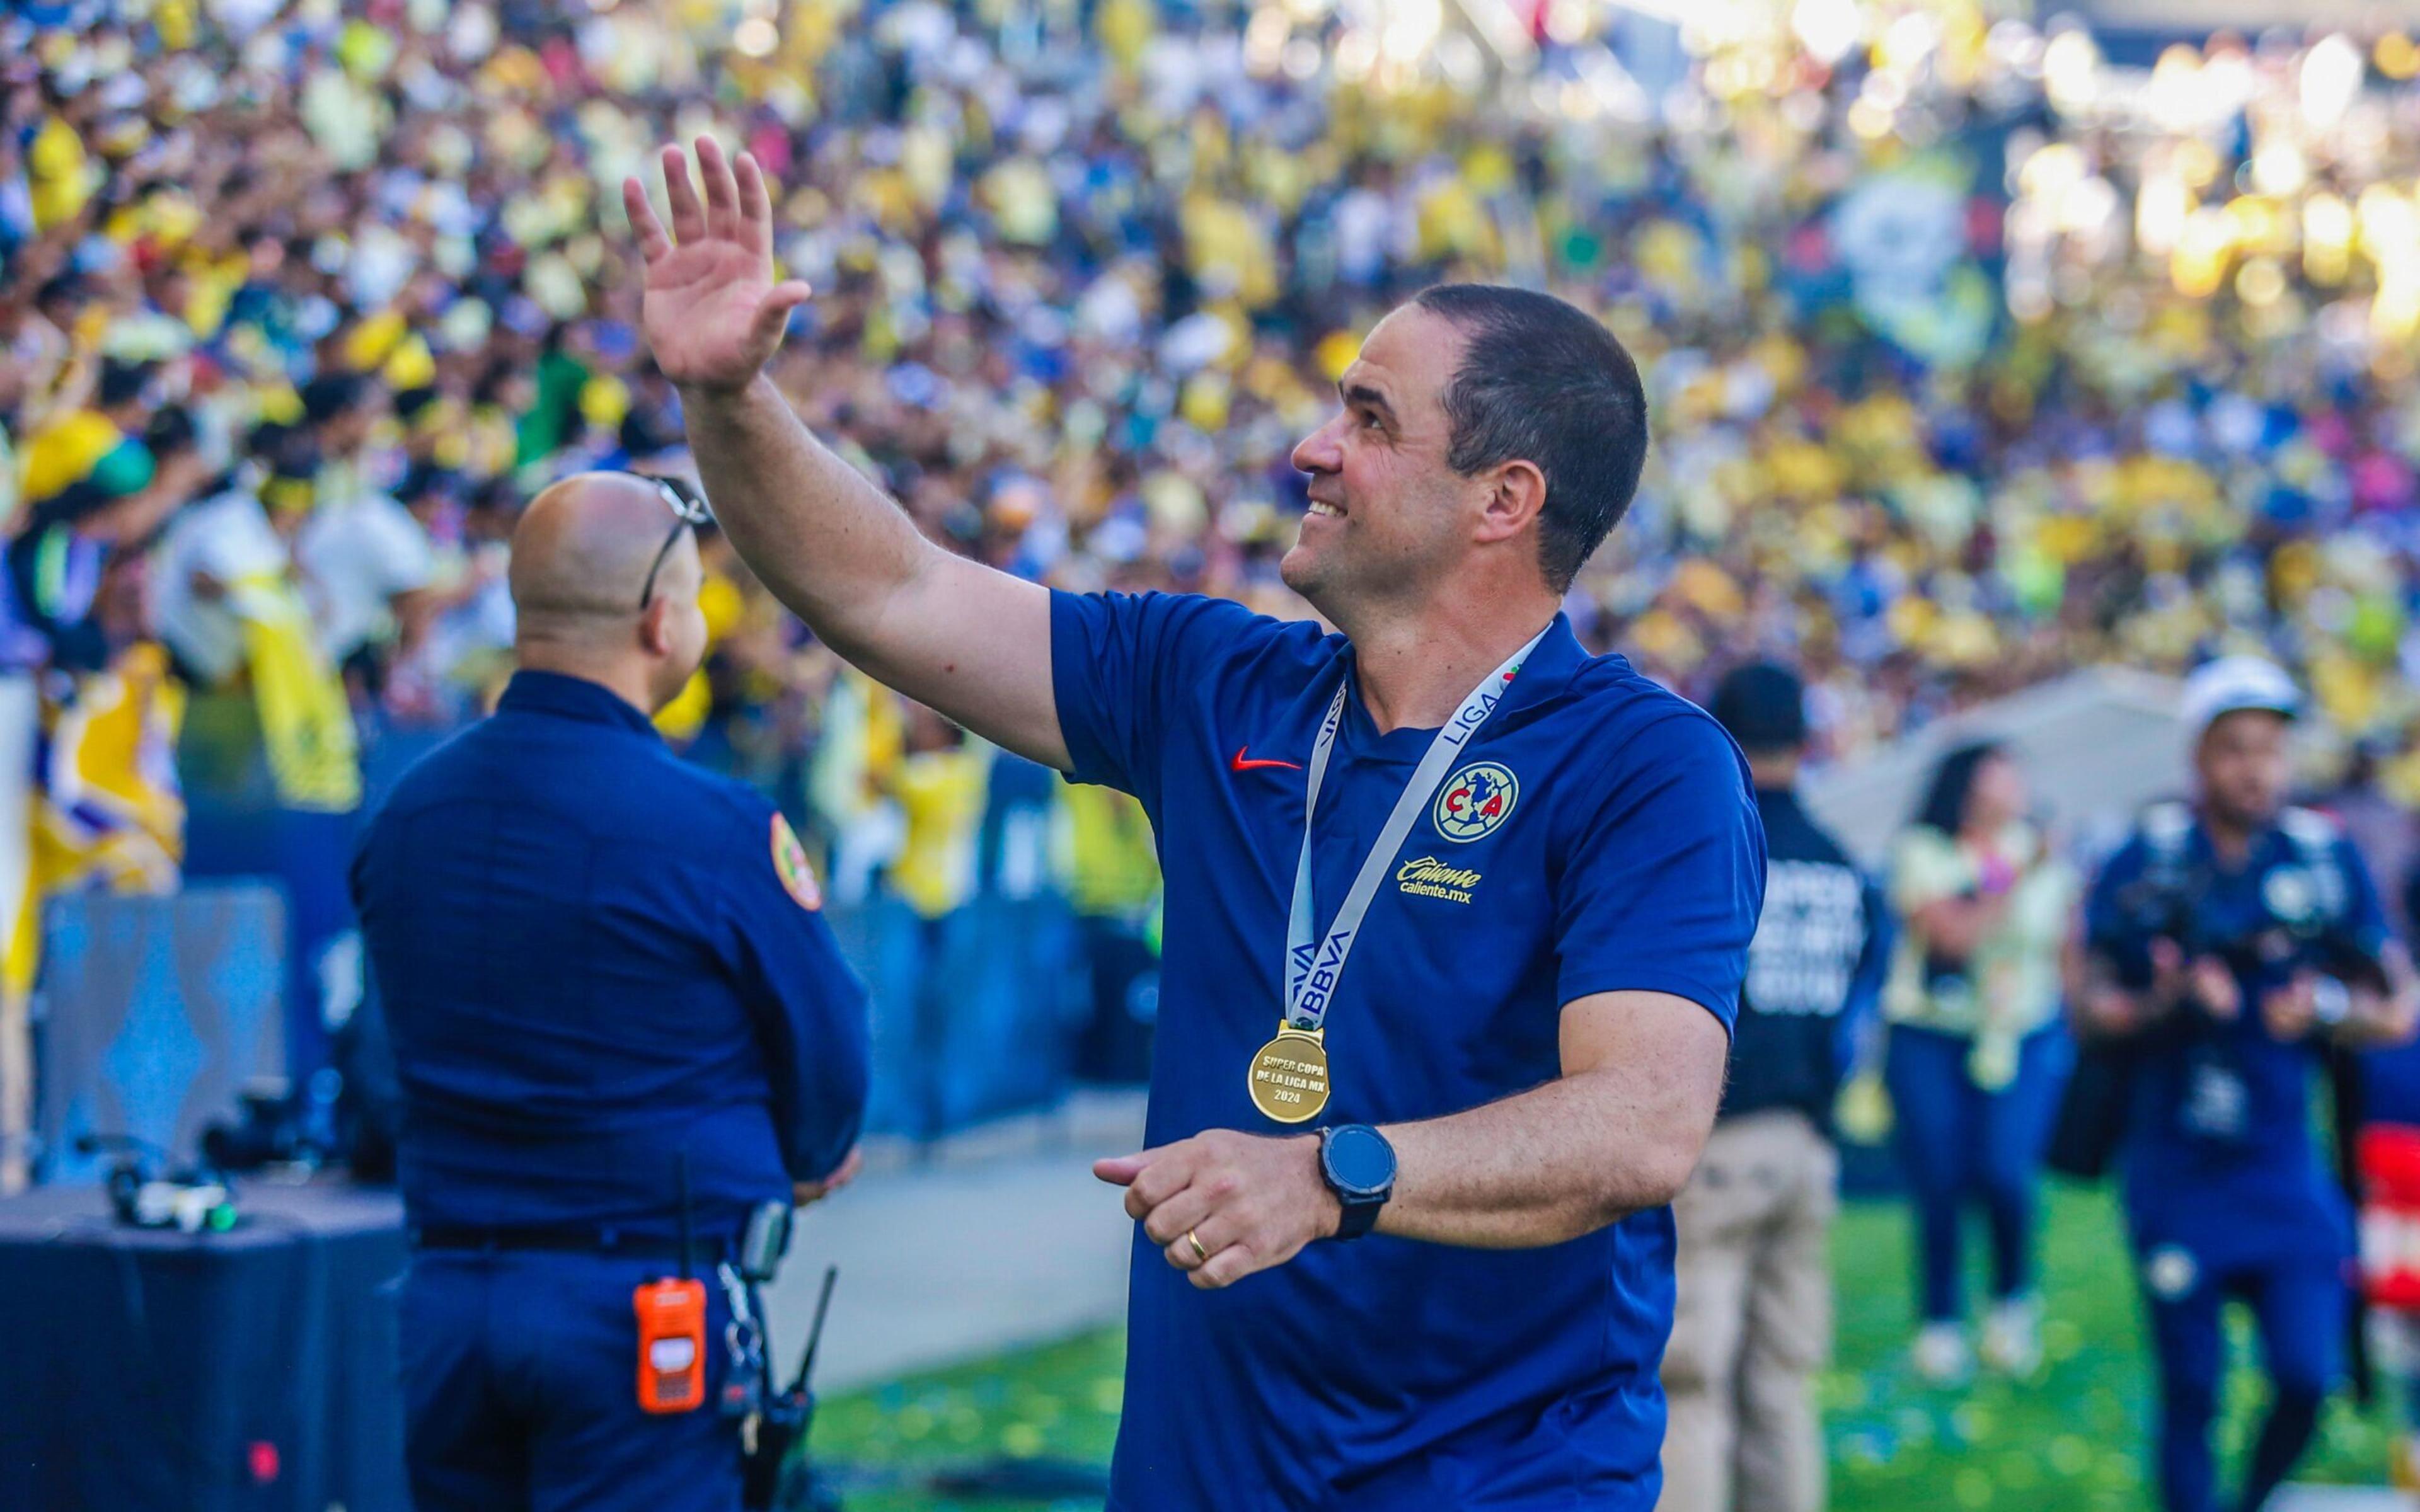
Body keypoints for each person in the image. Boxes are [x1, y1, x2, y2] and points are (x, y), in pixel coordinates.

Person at [623, 139, 1763, 1509]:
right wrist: (730, 399)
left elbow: (1641, 1125)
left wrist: (1332, 1177)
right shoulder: (1215, 680)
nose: (1313, 448)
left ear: (1503, 501)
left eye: (1369, 419)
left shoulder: (1644, 765)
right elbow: (896, 596)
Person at [354, 471, 871, 1512]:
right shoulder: (716, 828)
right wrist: (796, 1158)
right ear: (660, 621)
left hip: (449, 1298)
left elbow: (375, 1061)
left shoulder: (410, 814)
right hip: (641, 1311)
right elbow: (831, 1077)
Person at [2077, 655, 2418, 1512]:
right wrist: (2168, 997)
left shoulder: (2322, 856)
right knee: (2191, 1390)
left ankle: (2251, 1500)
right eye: (2234, 748)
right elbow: (2088, 1006)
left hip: (2282, 1169)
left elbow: (2396, 1003)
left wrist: (2324, 1005)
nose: (2254, 767)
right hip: (2176, 1168)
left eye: (2270, 747)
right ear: (2198, 756)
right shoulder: (2144, 856)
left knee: (2310, 1374)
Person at [1659, 662, 1884, 1512]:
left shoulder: (1720, 847)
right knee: (1782, 1386)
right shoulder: (1839, 862)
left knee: (1690, 1383)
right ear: (1808, 739)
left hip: (1718, 1144)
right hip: (1809, 1147)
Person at [1881, 740, 2077, 1384]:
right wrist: (2017, 878)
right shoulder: (1925, 850)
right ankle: (1938, 1323)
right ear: (1968, 784)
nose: (2015, 785)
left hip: (2021, 1033)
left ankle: (2011, 1307)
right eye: (2000, 774)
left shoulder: (2046, 851)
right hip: (1930, 1033)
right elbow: (1954, 937)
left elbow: (2065, 947)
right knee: (1938, 1179)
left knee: (2007, 1172)